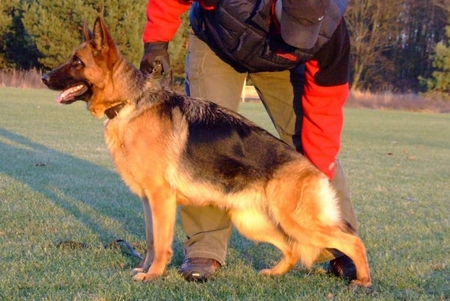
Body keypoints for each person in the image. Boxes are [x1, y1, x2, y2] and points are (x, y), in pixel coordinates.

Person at [140, 0, 360, 282]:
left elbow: (324, 114)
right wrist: (157, 41)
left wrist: (316, 178)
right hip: (218, 42)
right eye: (289, 25)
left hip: (286, 62)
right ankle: (204, 250)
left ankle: (339, 245)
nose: (293, 33)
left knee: (304, 143)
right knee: (203, 144)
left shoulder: (331, 33)